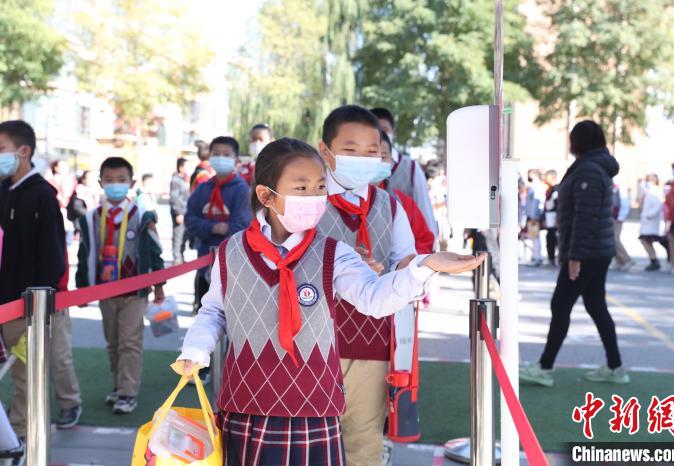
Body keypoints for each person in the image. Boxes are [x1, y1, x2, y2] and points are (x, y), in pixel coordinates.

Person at [175, 138, 485, 465]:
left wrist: (426, 266)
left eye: (320, 187)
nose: (314, 197)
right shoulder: (232, 252)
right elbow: (214, 311)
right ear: (266, 195)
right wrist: (196, 349)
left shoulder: (332, 253)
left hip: (314, 406)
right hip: (248, 406)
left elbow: (374, 299)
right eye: (301, 187)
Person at [315, 105, 419, 465]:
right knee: (310, 436)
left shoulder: (390, 206)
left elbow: (405, 263)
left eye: (372, 151)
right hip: (309, 341)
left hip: (369, 341)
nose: (362, 158)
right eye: (350, 149)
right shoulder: (304, 199)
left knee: (362, 437)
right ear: (324, 151)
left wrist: (411, 270)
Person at [520, 120, 628, 387]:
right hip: (596, 250)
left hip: (587, 252)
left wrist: (574, 257)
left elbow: (585, 217)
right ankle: (615, 367)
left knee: (561, 305)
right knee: (595, 306)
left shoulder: (589, 170)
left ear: (579, 141)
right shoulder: (594, 166)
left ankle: (545, 367)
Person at [0, 120, 82, 444]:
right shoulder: (5, 191)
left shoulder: (43, 196)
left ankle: (22, 436)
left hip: (34, 303)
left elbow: (52, 255)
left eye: (1, 149)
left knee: (37, 367)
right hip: (7, 302)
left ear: (24, 151)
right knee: (25, 371)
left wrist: (42, 300)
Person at [76, 157, 165, 414]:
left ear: (131, 183)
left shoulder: (143, 216)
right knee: (113, 342)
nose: (115, 185)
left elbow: (155, 251)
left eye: (121, 180)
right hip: (106, 290)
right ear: (100, 183)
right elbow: (84, 254)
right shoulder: (91, 218)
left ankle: (128, 392)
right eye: (110, 180)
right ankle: (118, 386)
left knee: (129, 341)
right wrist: (83, 288)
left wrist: (158, 285)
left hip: (135, 291)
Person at [185, 136, 252, 314]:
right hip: (204, 259)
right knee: (206, 312)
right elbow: (190, 219)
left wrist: (227, 229)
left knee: (232, 314)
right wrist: (212, 228)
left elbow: (243, 224)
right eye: (216, 154)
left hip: (234, 262)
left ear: (236, 160)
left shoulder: (242, 190)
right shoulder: (202, 189)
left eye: (226, 154)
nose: (221, 157)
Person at [370, 107, 439, 238]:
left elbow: (424, 208)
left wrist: (429, 251)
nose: (379, 135)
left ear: (393, 132)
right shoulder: (359, 167)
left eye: (384, 130)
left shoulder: (411, 167)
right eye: (374, 129)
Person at [377, 130, 435, 254]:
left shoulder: (401, 202)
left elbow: (425, 242)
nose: (375, 161)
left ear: (391, 161)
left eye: (382, 157)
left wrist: (404, 264)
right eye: (368, 155)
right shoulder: (329, 200)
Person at [638, 174, 668, 271]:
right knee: (646, 240)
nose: (647, 182)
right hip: (647, 221)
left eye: (649, 180)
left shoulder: (655, 191)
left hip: (651, 220)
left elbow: (657, 205)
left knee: (646, 240)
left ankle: (655, 260)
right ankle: (653, 259)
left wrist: (648, 215)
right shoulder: (648, 191)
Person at [48, 159, 78, 245]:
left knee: (69, 236)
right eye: (61, 166)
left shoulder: (72, 180)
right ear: (56, 168)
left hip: (69, 211)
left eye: (66, 166)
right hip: (57, 210)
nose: (64, 168)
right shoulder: (51, 181)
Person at [170, 158, 189, 265]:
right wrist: (178, 213)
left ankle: (181, 256)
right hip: (180, 212)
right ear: (181, 167)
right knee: (178, 235)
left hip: (186, 212)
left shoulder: (185, 179)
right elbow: (174, 197)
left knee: (184, 236)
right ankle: (177, 258)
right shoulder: (176, 180)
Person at [525, 169, 546, 266]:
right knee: (533, 237)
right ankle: (535, 256)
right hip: (532, 215)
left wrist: (533, 215)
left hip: (534, 215)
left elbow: (536, 202)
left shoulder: (536, 186)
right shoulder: (534, 186)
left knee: (535, 237)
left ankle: (537, 257)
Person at [611, 181, 633, 271]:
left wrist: (621, 216)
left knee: (614, 239)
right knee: (611, 240)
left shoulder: (619, 188)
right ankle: (618, 260)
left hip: (616, 217)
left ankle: (625, 259)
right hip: (611, 216)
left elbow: (624, 203)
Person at [543, 170, 559, 266]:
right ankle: (551, 258)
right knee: (550, 238)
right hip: (549, 218)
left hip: (554, 217)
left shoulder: (556, 189)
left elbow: (557, 204)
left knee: (554, 239)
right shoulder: (549, 189)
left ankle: (555, 258)